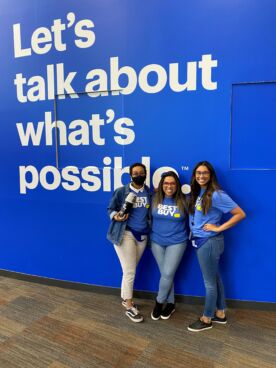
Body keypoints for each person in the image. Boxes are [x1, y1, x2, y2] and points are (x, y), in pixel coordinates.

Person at [187, 161, 246, 332]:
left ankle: (206, 318)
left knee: (209, 283)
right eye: (198, 173)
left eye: (205, 173)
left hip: (209, 242)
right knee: (215, 278)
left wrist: (219, 227)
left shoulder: (217, 195)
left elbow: (240, 214)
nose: (201, 176)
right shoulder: (200, 192)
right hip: (203, 241)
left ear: (211, 175)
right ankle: (220, 313)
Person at [107, 163, 151, 323]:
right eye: (135, 173)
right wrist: (116, 216)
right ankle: (129, 305)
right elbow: (110, 209)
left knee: (129, 269)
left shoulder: (148, 193)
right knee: (130, 272)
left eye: (141, 172)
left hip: (142, 237)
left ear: (145, 174)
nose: (138, 175)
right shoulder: (122, 191)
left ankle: (125, 297)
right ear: (131, 175)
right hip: (125, 234)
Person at [151, 171, 188, 320]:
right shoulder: (154, 198)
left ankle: (159, 302)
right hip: (156, 242)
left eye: (172, 183)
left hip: (177, 242)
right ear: (161, 185)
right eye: (166, 183)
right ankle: (171, 303)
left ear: (177, 185)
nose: (169, 186)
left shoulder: (185, 200)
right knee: (167, 275)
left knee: (166, 274)